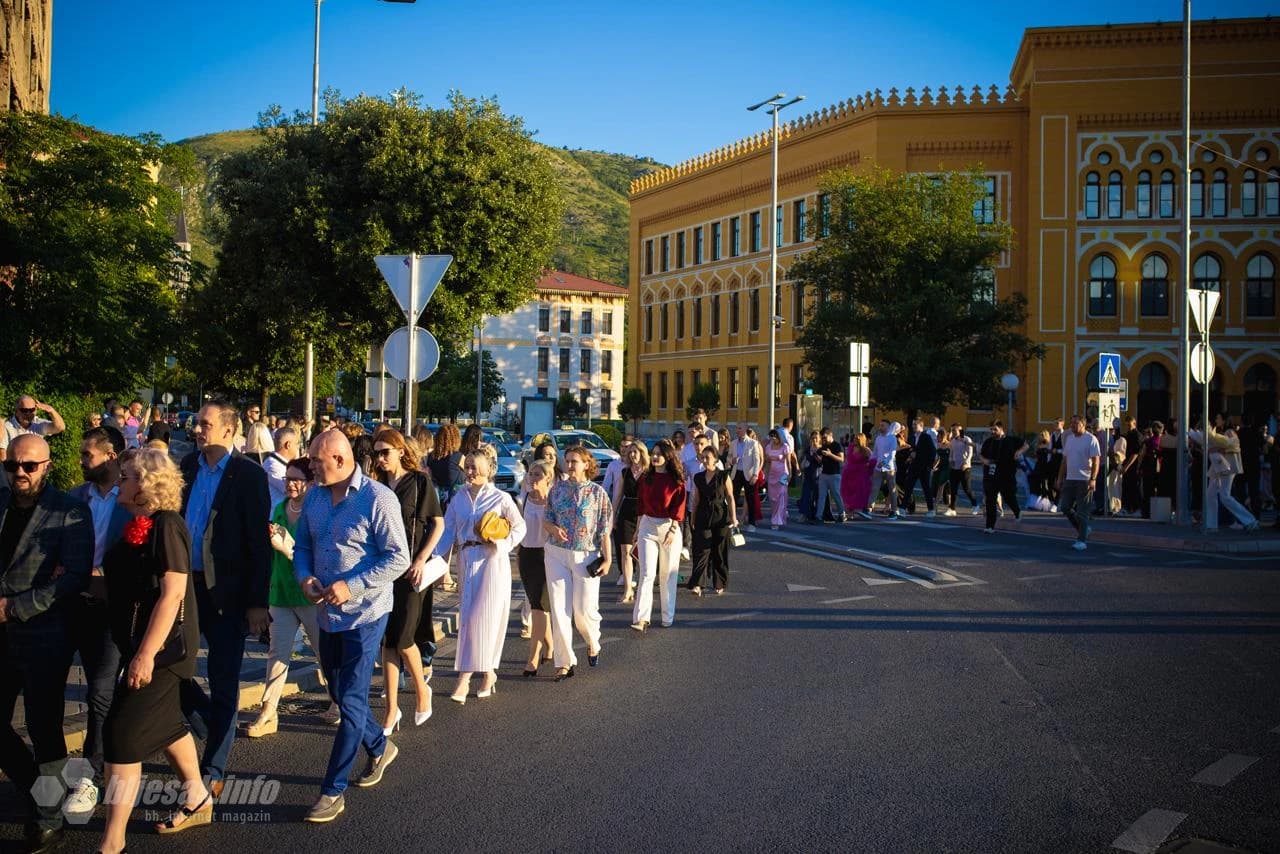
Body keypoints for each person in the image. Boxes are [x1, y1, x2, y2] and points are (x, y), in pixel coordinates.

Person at [293, 430, 410, 823]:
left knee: (353, 701)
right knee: (341, 694)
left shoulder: (378, 499)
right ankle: (379, 744)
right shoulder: (314, 497)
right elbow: (304, 545)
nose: (310, 466)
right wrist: (305, 576)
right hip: (327, 615)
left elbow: (399, 559)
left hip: (366, 615)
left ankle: (332, 791)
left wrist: (353, 584)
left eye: (315, 461)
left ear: (340, 460)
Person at [95, 448, 208, 852]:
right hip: (141, 646)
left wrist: (144, 655)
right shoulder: (139, 524)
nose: (119, 481)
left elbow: (172, 593)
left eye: (125, 476)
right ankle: (197, 796)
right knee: (166, 724)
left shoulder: (167, 525)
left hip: (162, 651)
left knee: (121, 734)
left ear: (146, 483)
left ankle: (113, 839)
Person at [0, 434, 92, 853]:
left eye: (29, 466)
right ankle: (35, 788)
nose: (19, 472)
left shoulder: (69, 510)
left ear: (47, 465)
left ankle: (48, 815)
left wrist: (15, 608)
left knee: (43, 726)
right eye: (12, 465)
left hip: (44, 635)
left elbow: (74, 577)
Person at [178, 401, 272, 796]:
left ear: (230, 431)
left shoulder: (248, 475)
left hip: (227, 592)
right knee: (173, 672)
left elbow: (258, 543)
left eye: (206, 424)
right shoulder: (185, 467)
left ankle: (213, 766)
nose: (198, 429)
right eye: (196, 423)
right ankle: (212, 724)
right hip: (184, 586)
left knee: (223, 676)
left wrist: (257, 603)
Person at [63, 427, 133, 818]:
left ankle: (91, 774)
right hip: (72, 604)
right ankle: (52, 772)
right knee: (50, 684)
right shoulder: (74, 497)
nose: (81, 461)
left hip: (112, 611)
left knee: (100, 692)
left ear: (110, 456)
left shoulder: (131, 500)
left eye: (87, 455)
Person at [244, 457, 338, 738]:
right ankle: (268, 711)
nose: (289, 484)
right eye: (287, 478)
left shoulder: (319, 511)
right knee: (277, 653)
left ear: (311, 483)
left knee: (325, 653)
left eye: (296, 479)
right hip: (281, 592)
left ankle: (338, 701)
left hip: (311, 593)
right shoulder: (279, 509)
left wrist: (286, 546)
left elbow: (320, 553)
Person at [439, 448, 525, 700]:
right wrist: (433, 561)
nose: (470, 471)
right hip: (466, 559)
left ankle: (464, 678)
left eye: (475, 467)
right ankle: (488, 673)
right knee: (468, 617)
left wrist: (501, 545)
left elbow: (520, 528)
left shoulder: (501, 498)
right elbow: (447, 531)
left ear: (489, 469)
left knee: (483, 617)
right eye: (467, 466)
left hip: (492, 561)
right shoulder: (458, 499)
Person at [372, 429, 443, 733]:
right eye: (376, 453)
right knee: (388, 641)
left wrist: (421, 559)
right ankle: (391, 710)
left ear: (400, 450)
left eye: (385, 452)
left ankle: (422, 690)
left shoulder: (419, 482)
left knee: (404, 638)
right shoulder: (375, 486)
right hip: (382, 570)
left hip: (411, 571)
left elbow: (438, 524)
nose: (380, 458)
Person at [543, 446, 612, 679]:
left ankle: (594, 641)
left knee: (583, 610)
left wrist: (608, 558)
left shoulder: (597, 493)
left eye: (575, 461)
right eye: (568, 461)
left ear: (586, 464)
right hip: (556, 552)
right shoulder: (557, 489)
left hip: (586, 555)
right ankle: (564, 661)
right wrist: (553, 529)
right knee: (560, 609)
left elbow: (603, 530)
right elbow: (547, 518)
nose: (570, 465)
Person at [631, 440, 685, 632]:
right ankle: (641, 618)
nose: (654, 457)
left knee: (667, 574)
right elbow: (640, 506)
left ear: (668, 457)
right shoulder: (646, 478)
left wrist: (672, 530)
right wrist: (638, 530)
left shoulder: (676, 481)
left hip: (668, 526)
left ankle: (667, 616)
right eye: (653, 453)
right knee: (646, 573)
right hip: (647, 525)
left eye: (658, 454)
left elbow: (679, 508)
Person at [518, 461, 556, 675]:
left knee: (539, 607)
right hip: (526, 556)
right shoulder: (522, 499)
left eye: (538, 475)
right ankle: (549, 645)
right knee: (537, 604)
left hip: (548, 555)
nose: (532, 478)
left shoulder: (553, 500)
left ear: (548, 478)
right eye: (530, 474)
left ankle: (533, 656)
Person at [687, 444, 735, 595]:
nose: (705, 460)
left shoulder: (723, 476)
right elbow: (696, 499)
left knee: (719, 551)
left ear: (715, 459)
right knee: (701, 550)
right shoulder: (698, 477)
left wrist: (734, 517)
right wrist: (693, 518)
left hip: (720, 515)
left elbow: (730, 497)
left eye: (708, 457)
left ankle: (719, 582)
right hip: (703, 515)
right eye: (703, 457)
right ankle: (698, 584)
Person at [1199, 419, 1259, 533]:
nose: (1216, 421)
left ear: (1223, 420)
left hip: (1227, 466)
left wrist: (1216, 448)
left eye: (1217, 418)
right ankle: (1211, 524)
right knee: (1210, 494)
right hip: (1218, 466)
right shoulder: (1220, 433)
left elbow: (1233, 445)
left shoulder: (1229, 431)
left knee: (1224, 496)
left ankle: (1250, 521)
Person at [1055, 415, 1101, 551]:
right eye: (1071, 423)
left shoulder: (1091, 439)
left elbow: (1096, 461)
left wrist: (1093, 479)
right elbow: (1064, 461)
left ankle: (1081, 541)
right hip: (1070, 479)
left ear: (1083, 424)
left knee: (1082, 511)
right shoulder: (1069, 439)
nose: (1072, 426)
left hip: (1084, 480)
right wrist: (1059, 478)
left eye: (1075, 423)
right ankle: (1084, 529)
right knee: (1065, 507)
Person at [611, 441, 647, 605]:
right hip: (627, 512)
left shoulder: (649, 472)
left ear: (642, 453)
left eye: (635, 452)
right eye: (630, 452)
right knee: (626, 553)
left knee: (643, 554)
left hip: (645, 514)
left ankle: (642, 588)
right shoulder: (624, 472)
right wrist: (612, 516)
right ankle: (628, 590)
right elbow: (618, 495)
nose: (632, 455)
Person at [979, 421, 1026, 533]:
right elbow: (981, 454)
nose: (993, 432)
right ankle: (989, 526)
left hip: (1007, 474)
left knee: (1008, 496)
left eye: (995, 429)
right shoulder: (989, 442)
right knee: (990, 500)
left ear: (1001, 428)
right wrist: (985, 461)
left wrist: (1018, 452)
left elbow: (1026, 445)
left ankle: (1017, 511)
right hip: (991, 475)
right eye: (991, 429)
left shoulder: (1010, 440)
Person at [0, 395, 66, 462]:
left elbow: (60, 427)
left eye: (31, 410)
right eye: (24, 410)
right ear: (16, 411)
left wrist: (51, 411)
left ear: (36, 410)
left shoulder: (38, 424)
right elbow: (2, 454)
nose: (28, 414)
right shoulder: (7, 427)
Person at [730, 423, 763, 531]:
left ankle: (752, 523)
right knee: (733, 497)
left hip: (748, 474)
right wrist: (732, 461)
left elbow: (757, 460)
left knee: (750, 498)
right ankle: (732, 520)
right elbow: (729, 458)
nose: (737, 430)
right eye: (737, 428)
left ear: (745, 429)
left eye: (739, 428)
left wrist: (755, 474)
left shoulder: (753, 443)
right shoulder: (733, 443)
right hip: (736, 472)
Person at [840, 433, 877, 520]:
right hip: (848, 473)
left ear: (862, 440)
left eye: (857, 439)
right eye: (854, 438)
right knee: (847, 492)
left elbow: (874, 460)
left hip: (860, 474)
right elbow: (847, 460)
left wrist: (868, 464)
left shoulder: (865, 450)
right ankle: (850, 512)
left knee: (858, 492)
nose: (855, 440)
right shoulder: (850, 447)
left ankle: (862, 509)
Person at [814, 426, 847, 523]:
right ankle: (818, 516)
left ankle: (842, 513)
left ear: (830, 435)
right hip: (824, 474)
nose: (823, 439)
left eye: (825, 437)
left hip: (834, 475)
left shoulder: (837, 445)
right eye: (822, 438)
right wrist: (819, 459)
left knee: (836, 494)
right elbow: (821, 461)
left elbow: (841, 459)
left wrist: (830, 454)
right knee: (822, 496)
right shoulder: (823, 446)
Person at [263, 425, 301, 511]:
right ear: (288, 445)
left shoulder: (280, 463)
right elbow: (294, 491)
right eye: (297, 443)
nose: (298, 447)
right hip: (275, 520)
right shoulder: (272, 465)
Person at [871, 420, 903, 517]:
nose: (880, 427)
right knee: (874, 488)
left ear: (888, 427)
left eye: (883, 426)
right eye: (880, 425)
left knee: (892, 489)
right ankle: (868, 508)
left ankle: (894, 510)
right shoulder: (878, 438)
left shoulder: (892, 438)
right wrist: (870, 462)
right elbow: (875, 453)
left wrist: (884, 462)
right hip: (878, 467)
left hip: (889, 468)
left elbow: (892, 453)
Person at [764, 429, 794, 529]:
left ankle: (777, 520)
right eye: (771, 437)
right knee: (773, 498)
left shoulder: (785, 447)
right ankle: (775, 516)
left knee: (782, 495)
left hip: (783, 474)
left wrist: (790, 474)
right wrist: (766, 474)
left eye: (775, 436)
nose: (773, 439)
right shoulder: (768, 447)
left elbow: (789, 462)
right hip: (772, 474)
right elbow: (767, 462)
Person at [798, 431, 823, 522]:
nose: (814, 440)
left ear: (819, 439)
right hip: (808, 473)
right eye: (813, 438)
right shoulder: (808, 449)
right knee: (806, 495)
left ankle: (815, 514)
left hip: (818, 474)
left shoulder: (821, 449)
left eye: (816, 438)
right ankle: (804, 514)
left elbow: (821, 462)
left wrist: (815, 453)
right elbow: (803, 460)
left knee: (816, 495)